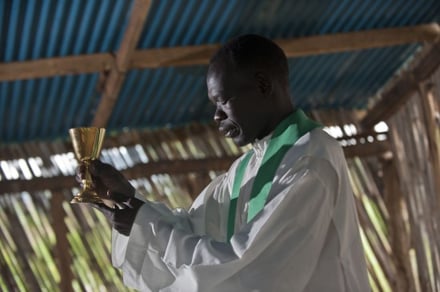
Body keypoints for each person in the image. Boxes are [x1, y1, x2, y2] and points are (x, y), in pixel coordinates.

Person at [80, 34, 371, 291]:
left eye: (223, 100)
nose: (217, 116)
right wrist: (129, 203)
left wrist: (147, 225)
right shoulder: (245, 170)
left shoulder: (311, 160)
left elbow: (250, 266)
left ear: (262, 85)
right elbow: (195, 230)